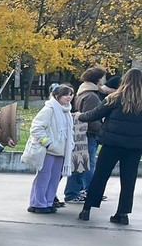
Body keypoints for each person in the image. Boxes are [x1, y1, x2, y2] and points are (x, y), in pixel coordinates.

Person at [78, 67, 142, 225]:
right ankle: (122, 214)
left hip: (111, 144)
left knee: (100, 176)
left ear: (124, 80)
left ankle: (87, 210)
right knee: (128, 181)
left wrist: (80, 116)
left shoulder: (114, 98)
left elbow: (94, 114)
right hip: (134, 147)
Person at [26, 85, 74, 214]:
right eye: (66, 94)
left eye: (71, 94)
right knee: (43, 177)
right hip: (48, 151)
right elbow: (36, 128)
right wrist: (48, 143)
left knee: (54, 178)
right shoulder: (49, 110)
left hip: (61, 151)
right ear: (57, 96)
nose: (69, 97)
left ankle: (48, 201)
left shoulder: (67, 111)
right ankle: (37, 203)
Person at [63, 66, 106, 203]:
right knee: (83, 164)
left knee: (81, 164)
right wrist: (102, 130)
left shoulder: (83, 92)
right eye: (103, 76)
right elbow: (91, 118)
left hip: (81, 133)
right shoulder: (92, 96)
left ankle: (78, 191)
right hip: (88, 134)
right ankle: (73, 193)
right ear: (98, 79)